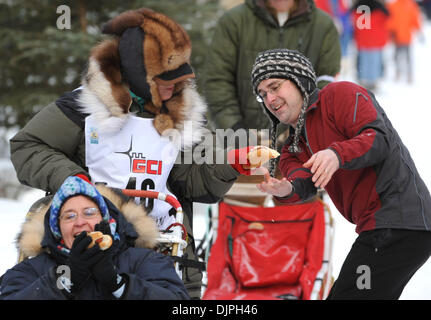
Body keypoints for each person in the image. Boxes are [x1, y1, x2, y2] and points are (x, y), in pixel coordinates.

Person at [9, 8, 241, 299]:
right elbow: (27, 145)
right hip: (88, 243)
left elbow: (195, 182)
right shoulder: (85, 106)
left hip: (163, 248)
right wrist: (75, 180)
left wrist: (229, 165)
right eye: (164, 81)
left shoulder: (185, 115)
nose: (175, 87)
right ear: (138, 74)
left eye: (179, 78)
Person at [251, 48, 431, 299]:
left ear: (299, 80)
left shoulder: (340, 95)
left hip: (400, 221)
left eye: (275, 86)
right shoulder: (292, 147)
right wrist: (286, 189)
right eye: (263, 94)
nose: (270, 98)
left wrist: (336, 154)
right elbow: (303, 183)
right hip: (381, 228)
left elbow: (378, 139)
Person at [0, 176, 189, 299]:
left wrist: (119, 284)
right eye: (69, 216)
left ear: (106, 219)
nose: (80, 222)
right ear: (56, 227)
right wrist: (66, 279)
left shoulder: (144, 261)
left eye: (89, 212)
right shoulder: (32, 269)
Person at [204, 0, 341, 138]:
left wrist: (300, 127)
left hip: (300, 141)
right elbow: (218, 80)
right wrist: (234, 128)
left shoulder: (322, 25)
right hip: (244, 138)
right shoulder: (234, 21)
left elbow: (325, 81)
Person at [351, 0, 389, 91]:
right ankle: (373, 82)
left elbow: (356, 23)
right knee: (375, 62)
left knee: (364, 62)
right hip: (376, 40)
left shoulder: (359, 7)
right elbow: (386, 21)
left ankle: (364, 81)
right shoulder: (380, 9)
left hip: (363, 40)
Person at [387, 0, 422, 83]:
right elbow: (390, 19)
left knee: (407, 57)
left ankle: (409, 75)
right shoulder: (393, 5)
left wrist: (419, 30)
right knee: (396, 57)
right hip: (397, 36)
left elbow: (415, 19)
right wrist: (391, 31)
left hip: (406, 37)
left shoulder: (411, 5)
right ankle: (398, 72)